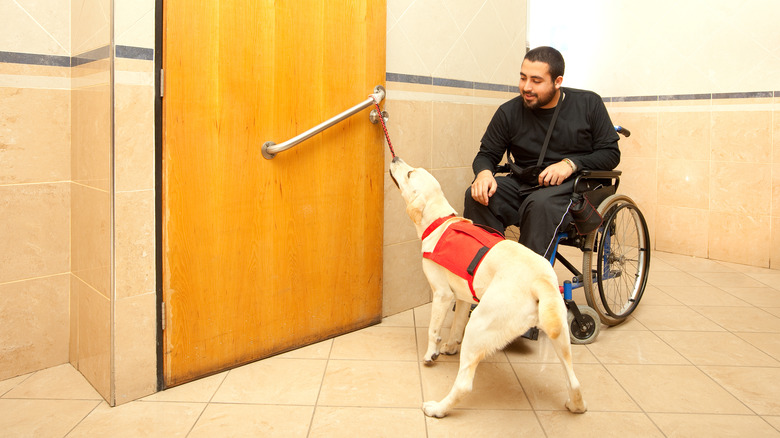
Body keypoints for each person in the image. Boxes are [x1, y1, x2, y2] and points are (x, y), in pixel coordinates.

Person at [464, 46, 620, 259]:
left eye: (536, 81)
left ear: (557, 82)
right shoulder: (508, 112)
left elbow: (611, 154)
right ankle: (490, 267)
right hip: (525, 184)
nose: (526, 87)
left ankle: (527, 282)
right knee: (478, 196)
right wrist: (483, 174)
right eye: (523, 78)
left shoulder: (588, 104)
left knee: (539, 205)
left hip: (574, 188)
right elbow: (486, 154)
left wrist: (570, 164)